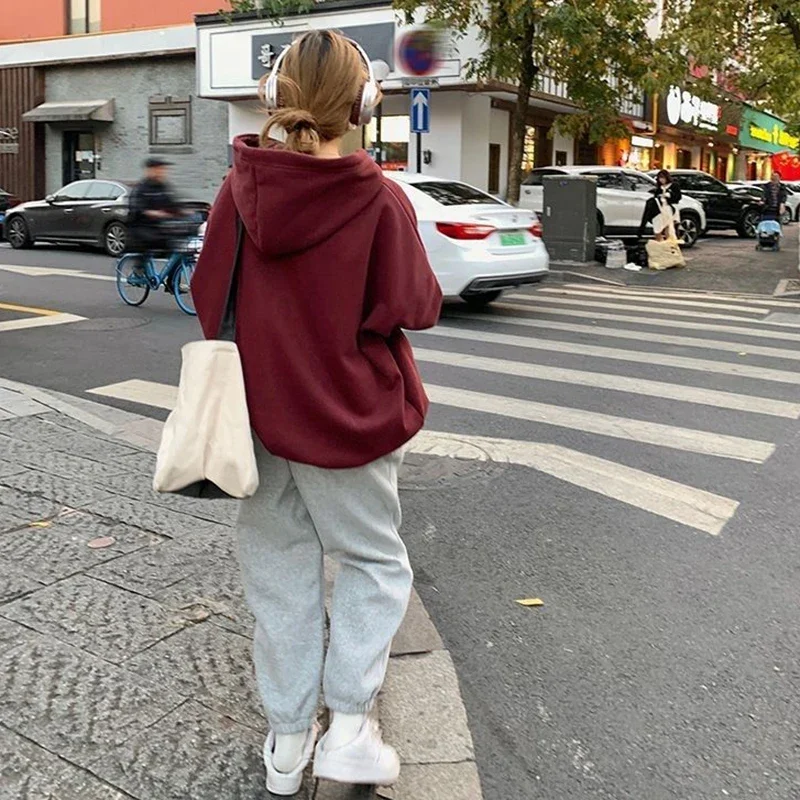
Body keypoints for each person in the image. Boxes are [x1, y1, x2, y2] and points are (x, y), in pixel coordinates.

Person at [191, 30, 442, 796]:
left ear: (276, 96)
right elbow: (415, 306)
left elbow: (207, 298)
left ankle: (288, 741)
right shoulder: (377, 197)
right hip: (350, 422)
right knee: (373, 562)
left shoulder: (239, 191)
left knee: (279, 573)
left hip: (259, 420)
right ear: (363, 105)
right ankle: (351, 730)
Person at [126, 157, 181, 287]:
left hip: (158, 227)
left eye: (163, 169)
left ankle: (173, 282)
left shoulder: (163, 187)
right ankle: (139, 268)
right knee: (146, 242)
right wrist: (150, 212)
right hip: (141, 227)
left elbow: (172, 203)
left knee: (179, 249)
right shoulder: (141, 188)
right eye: (159, 169)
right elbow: (137, 207)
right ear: (150, 170)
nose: (161, 172)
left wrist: (184, 211)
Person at [639, 168, 682, 241]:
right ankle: (661, 243)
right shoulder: (659, 188)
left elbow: (678, 197)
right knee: (659, 227)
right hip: (660, 209)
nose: (661, 180)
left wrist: (669, 196)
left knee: (668, 228)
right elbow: (656, 197)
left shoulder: (674, 186)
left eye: (662, 178)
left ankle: (669, 243)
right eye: (659, 178)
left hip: (669, 209)